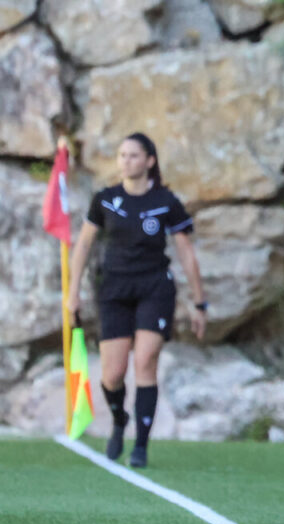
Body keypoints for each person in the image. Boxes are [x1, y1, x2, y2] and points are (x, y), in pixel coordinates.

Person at [67, 132, 207, 469]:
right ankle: (119, 420)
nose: (126, 161)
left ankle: (141, 447)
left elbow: (186, 253)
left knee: (145, 360)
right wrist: (72, 293)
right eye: (122, 155)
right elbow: (84, 245)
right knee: (112, 374)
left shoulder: (165, 201)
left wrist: (199, 302)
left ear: (149, 161)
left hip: (154, 287)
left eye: (133, 155)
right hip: (114, 289)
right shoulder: (105, 199)